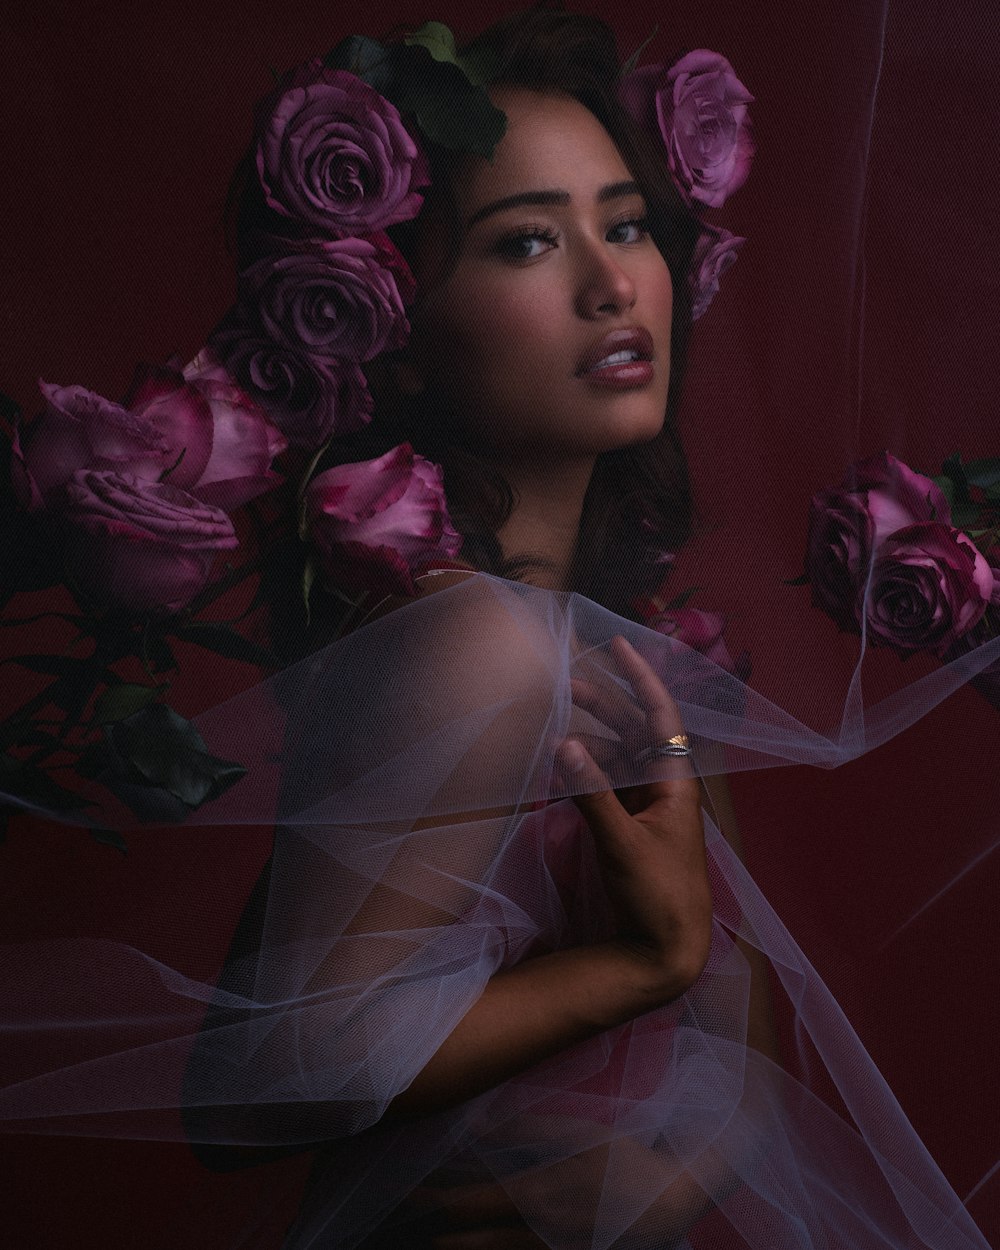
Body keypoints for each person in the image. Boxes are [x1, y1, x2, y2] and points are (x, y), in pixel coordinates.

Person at [1, 4, 998, 1249]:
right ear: (394, 335)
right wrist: (639, 959)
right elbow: (252, 1092)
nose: (611, 281)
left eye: (626, 224)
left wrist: (671, 1165)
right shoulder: (476, 640)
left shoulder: (624, 642)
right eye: (528, 242)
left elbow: (735, 1045)